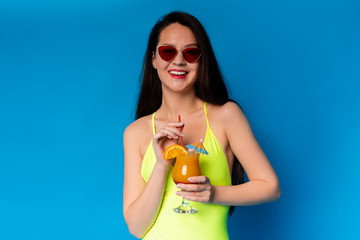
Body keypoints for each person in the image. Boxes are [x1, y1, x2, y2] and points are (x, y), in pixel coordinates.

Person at [123, 11, 280, 240]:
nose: (178, 61)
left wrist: (213, 193)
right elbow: (137, 228)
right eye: (168, 52)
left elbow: (270, 186)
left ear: (201, 60)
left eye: (191, 53)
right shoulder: (136, 133)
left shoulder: (226, 116)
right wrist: (161, 166)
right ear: (154, 59)